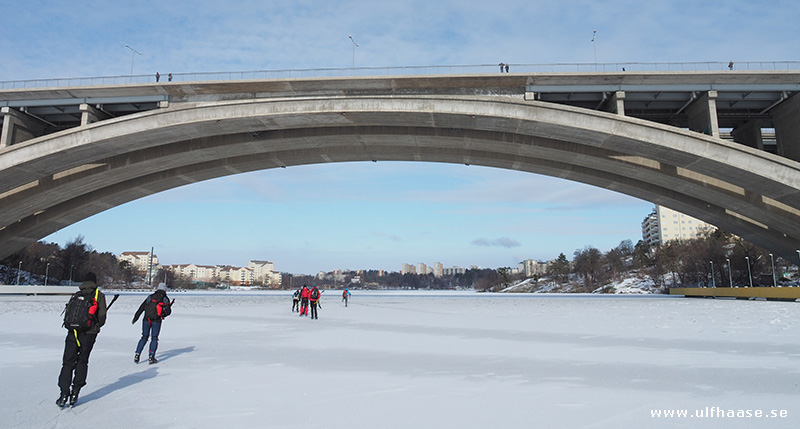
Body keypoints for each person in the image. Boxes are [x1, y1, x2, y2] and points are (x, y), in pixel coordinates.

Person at [57, 272, 107, 407]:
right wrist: (95, 325)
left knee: (68, 362)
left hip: (73, 332)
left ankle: (63, 393)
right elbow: (102, 317)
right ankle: (75, 391)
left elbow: (68, 314)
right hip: (89, 333)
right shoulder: (99, 296)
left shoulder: (76, 295)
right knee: (82, 361)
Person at [132, 282, 172, 364]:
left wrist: (136, 317)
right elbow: (168, 312)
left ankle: (137, 354)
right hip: (157, 321)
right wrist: (163, 314)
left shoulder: (150, 297)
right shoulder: (165, 298)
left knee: (144, 337)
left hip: (146, 319)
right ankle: (151, 356)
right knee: (154, 338)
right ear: (165, 290)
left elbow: (142, 307)